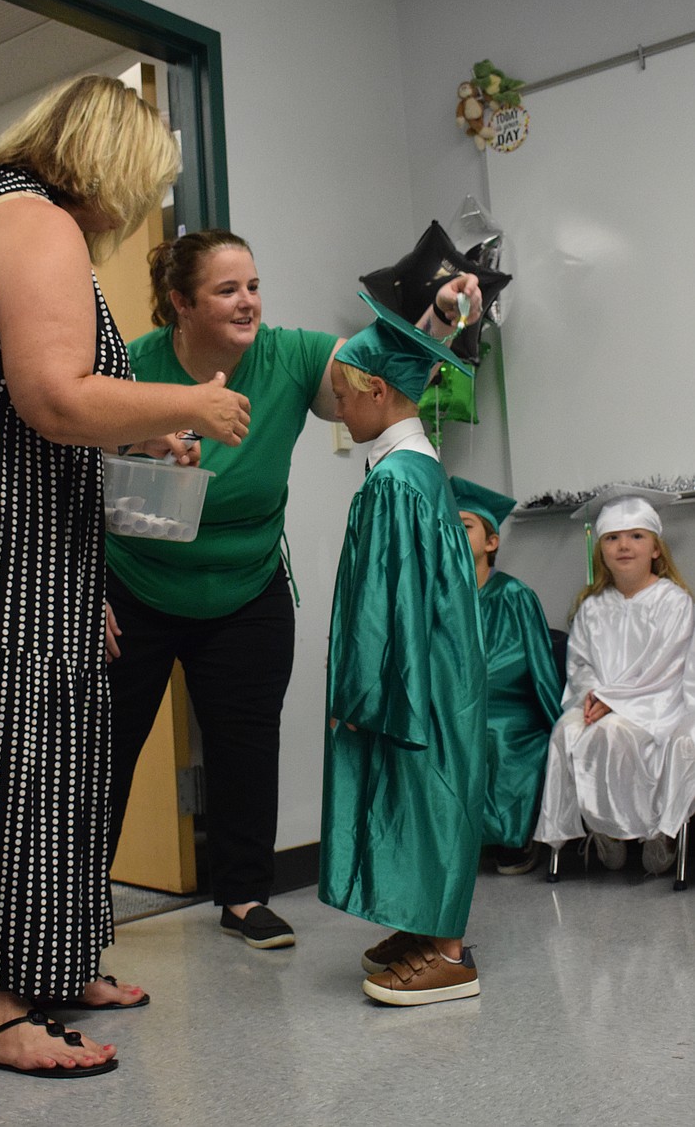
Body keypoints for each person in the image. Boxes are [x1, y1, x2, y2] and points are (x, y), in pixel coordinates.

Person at [0, 75, 252, 1079]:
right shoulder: (34, 221)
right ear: (109, 163)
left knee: (46, 733)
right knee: (2, 740)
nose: (131, 208)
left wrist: (145, 427)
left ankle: (44, 964)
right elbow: (55, 400)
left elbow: (26, 392)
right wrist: (192, 407)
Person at [105, 230, 482, 949]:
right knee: (107, 751)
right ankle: (80, 910)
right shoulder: (130, 365)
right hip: (137, 586)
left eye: (253, 285)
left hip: (247, 586)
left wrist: (436, 318)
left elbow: (378, 374)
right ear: (181, 303)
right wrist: (84, 590)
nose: (249, 301)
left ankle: (244, 895)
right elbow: (67, 473)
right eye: (227, 290)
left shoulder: (292, 355)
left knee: (246, 743)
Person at [319, 295, 487, 1006]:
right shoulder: (418, 471)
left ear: (378, 389)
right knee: (424, 782)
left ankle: (448, 951)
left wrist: (362, 691)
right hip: (437, 661)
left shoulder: (394, 482)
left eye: (343, 395)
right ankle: (425, 923)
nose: (338, 408)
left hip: (417, 667)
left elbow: (379, 604)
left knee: (426, 783)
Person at [534, 489, 695, 876]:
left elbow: (665, 667)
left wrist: (613, 700)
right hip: (595, 701)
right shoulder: (592, 607)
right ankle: (601, 828)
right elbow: (581, 664)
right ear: (601, 550)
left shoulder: (674, 602)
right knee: (565, 732)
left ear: (656, 548)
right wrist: (593, 698)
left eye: (636, 536)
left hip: (659, 702)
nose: (624, 545)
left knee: (617, 731)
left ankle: (653, 833)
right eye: (612, 537)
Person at [450, 476, 562, 876]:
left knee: (495, 734)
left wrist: (560, 722)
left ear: (492, 542)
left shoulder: (515, 596)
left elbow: (537, 664)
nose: (454, 535)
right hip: (453, 707)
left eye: (464, 526)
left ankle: (512, 842)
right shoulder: (438, 599)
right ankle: (458, 842)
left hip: (511, 709)